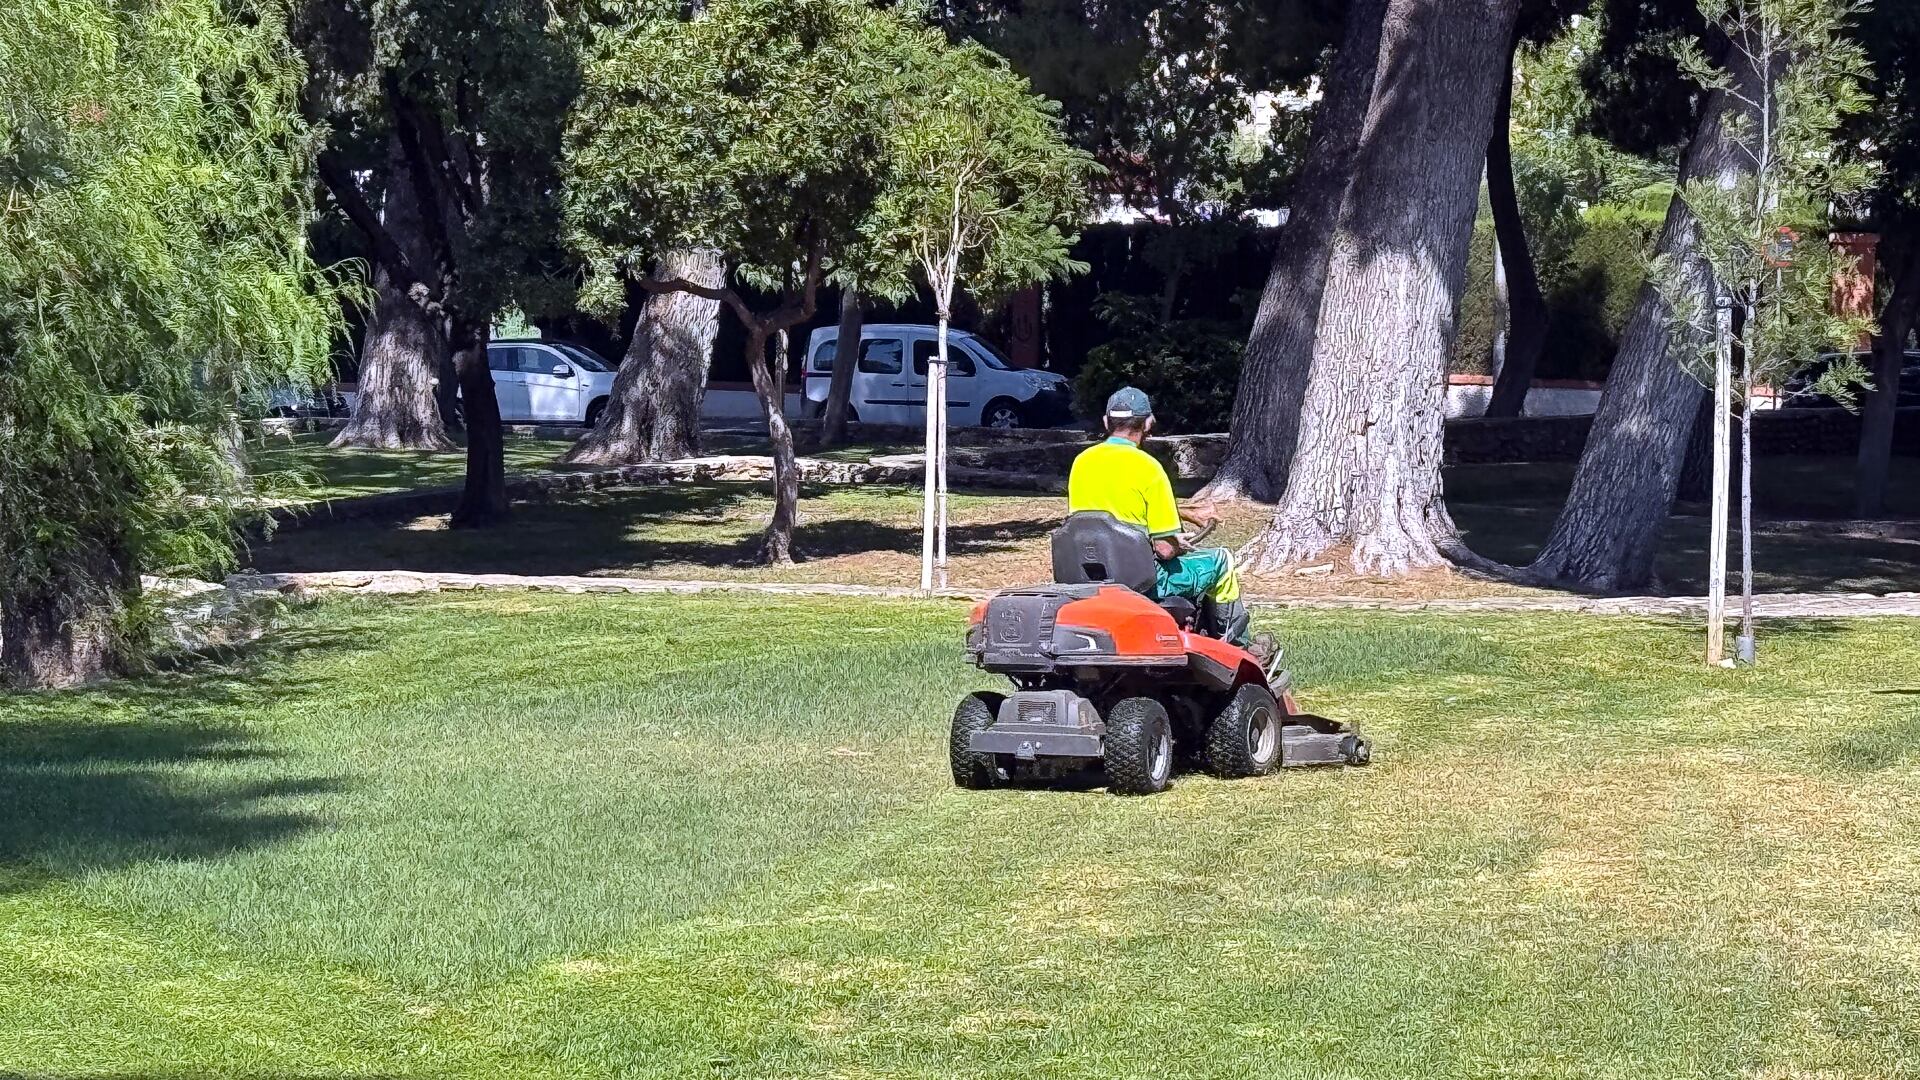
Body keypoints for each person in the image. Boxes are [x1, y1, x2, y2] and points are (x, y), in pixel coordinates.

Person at [1067, 387, 1268, 658]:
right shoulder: (1148, 468)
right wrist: (1175, 544)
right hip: (1141, 581)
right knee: (1222, 562)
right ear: (1149, 423)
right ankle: (1234, 651)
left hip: (1092, 577)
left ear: (1106, 422)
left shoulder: (1082, 463)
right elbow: (1164, 550)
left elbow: (1107, 523)